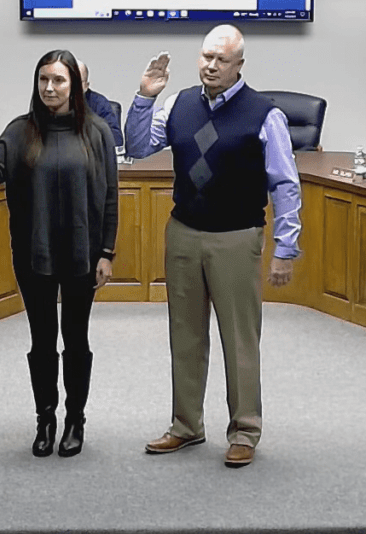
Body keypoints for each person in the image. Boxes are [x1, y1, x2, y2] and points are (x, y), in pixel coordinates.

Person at [125, 24, 301, 468]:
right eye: (206, 57)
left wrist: (285, 247)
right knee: (184, 335)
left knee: (239, 339)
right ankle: (185, 425)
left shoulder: (264, 114)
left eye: (221, 60)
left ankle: (244, 430)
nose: (210, 66)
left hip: (236, 239)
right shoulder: (179, 103)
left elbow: (285, 185)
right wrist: (145, 97)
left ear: (239, 64)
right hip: (183, 232)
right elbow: (138, 145)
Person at [0, 51, 118, 458]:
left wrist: (107, 252)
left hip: (83, 256)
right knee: (42, 341)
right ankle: (45, 419)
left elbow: (110, 198)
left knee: (76, 339)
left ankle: (75, 419)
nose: (49, 88)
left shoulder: (97, 132)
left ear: (75, 86)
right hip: (34, 255)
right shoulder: (19, 133)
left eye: (59, 81)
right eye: (43, 81)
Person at [78, 60, 123, 147]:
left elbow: (116, 139)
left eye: (77, 82)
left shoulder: (99, 103)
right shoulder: (50, 102)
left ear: (86, 86)